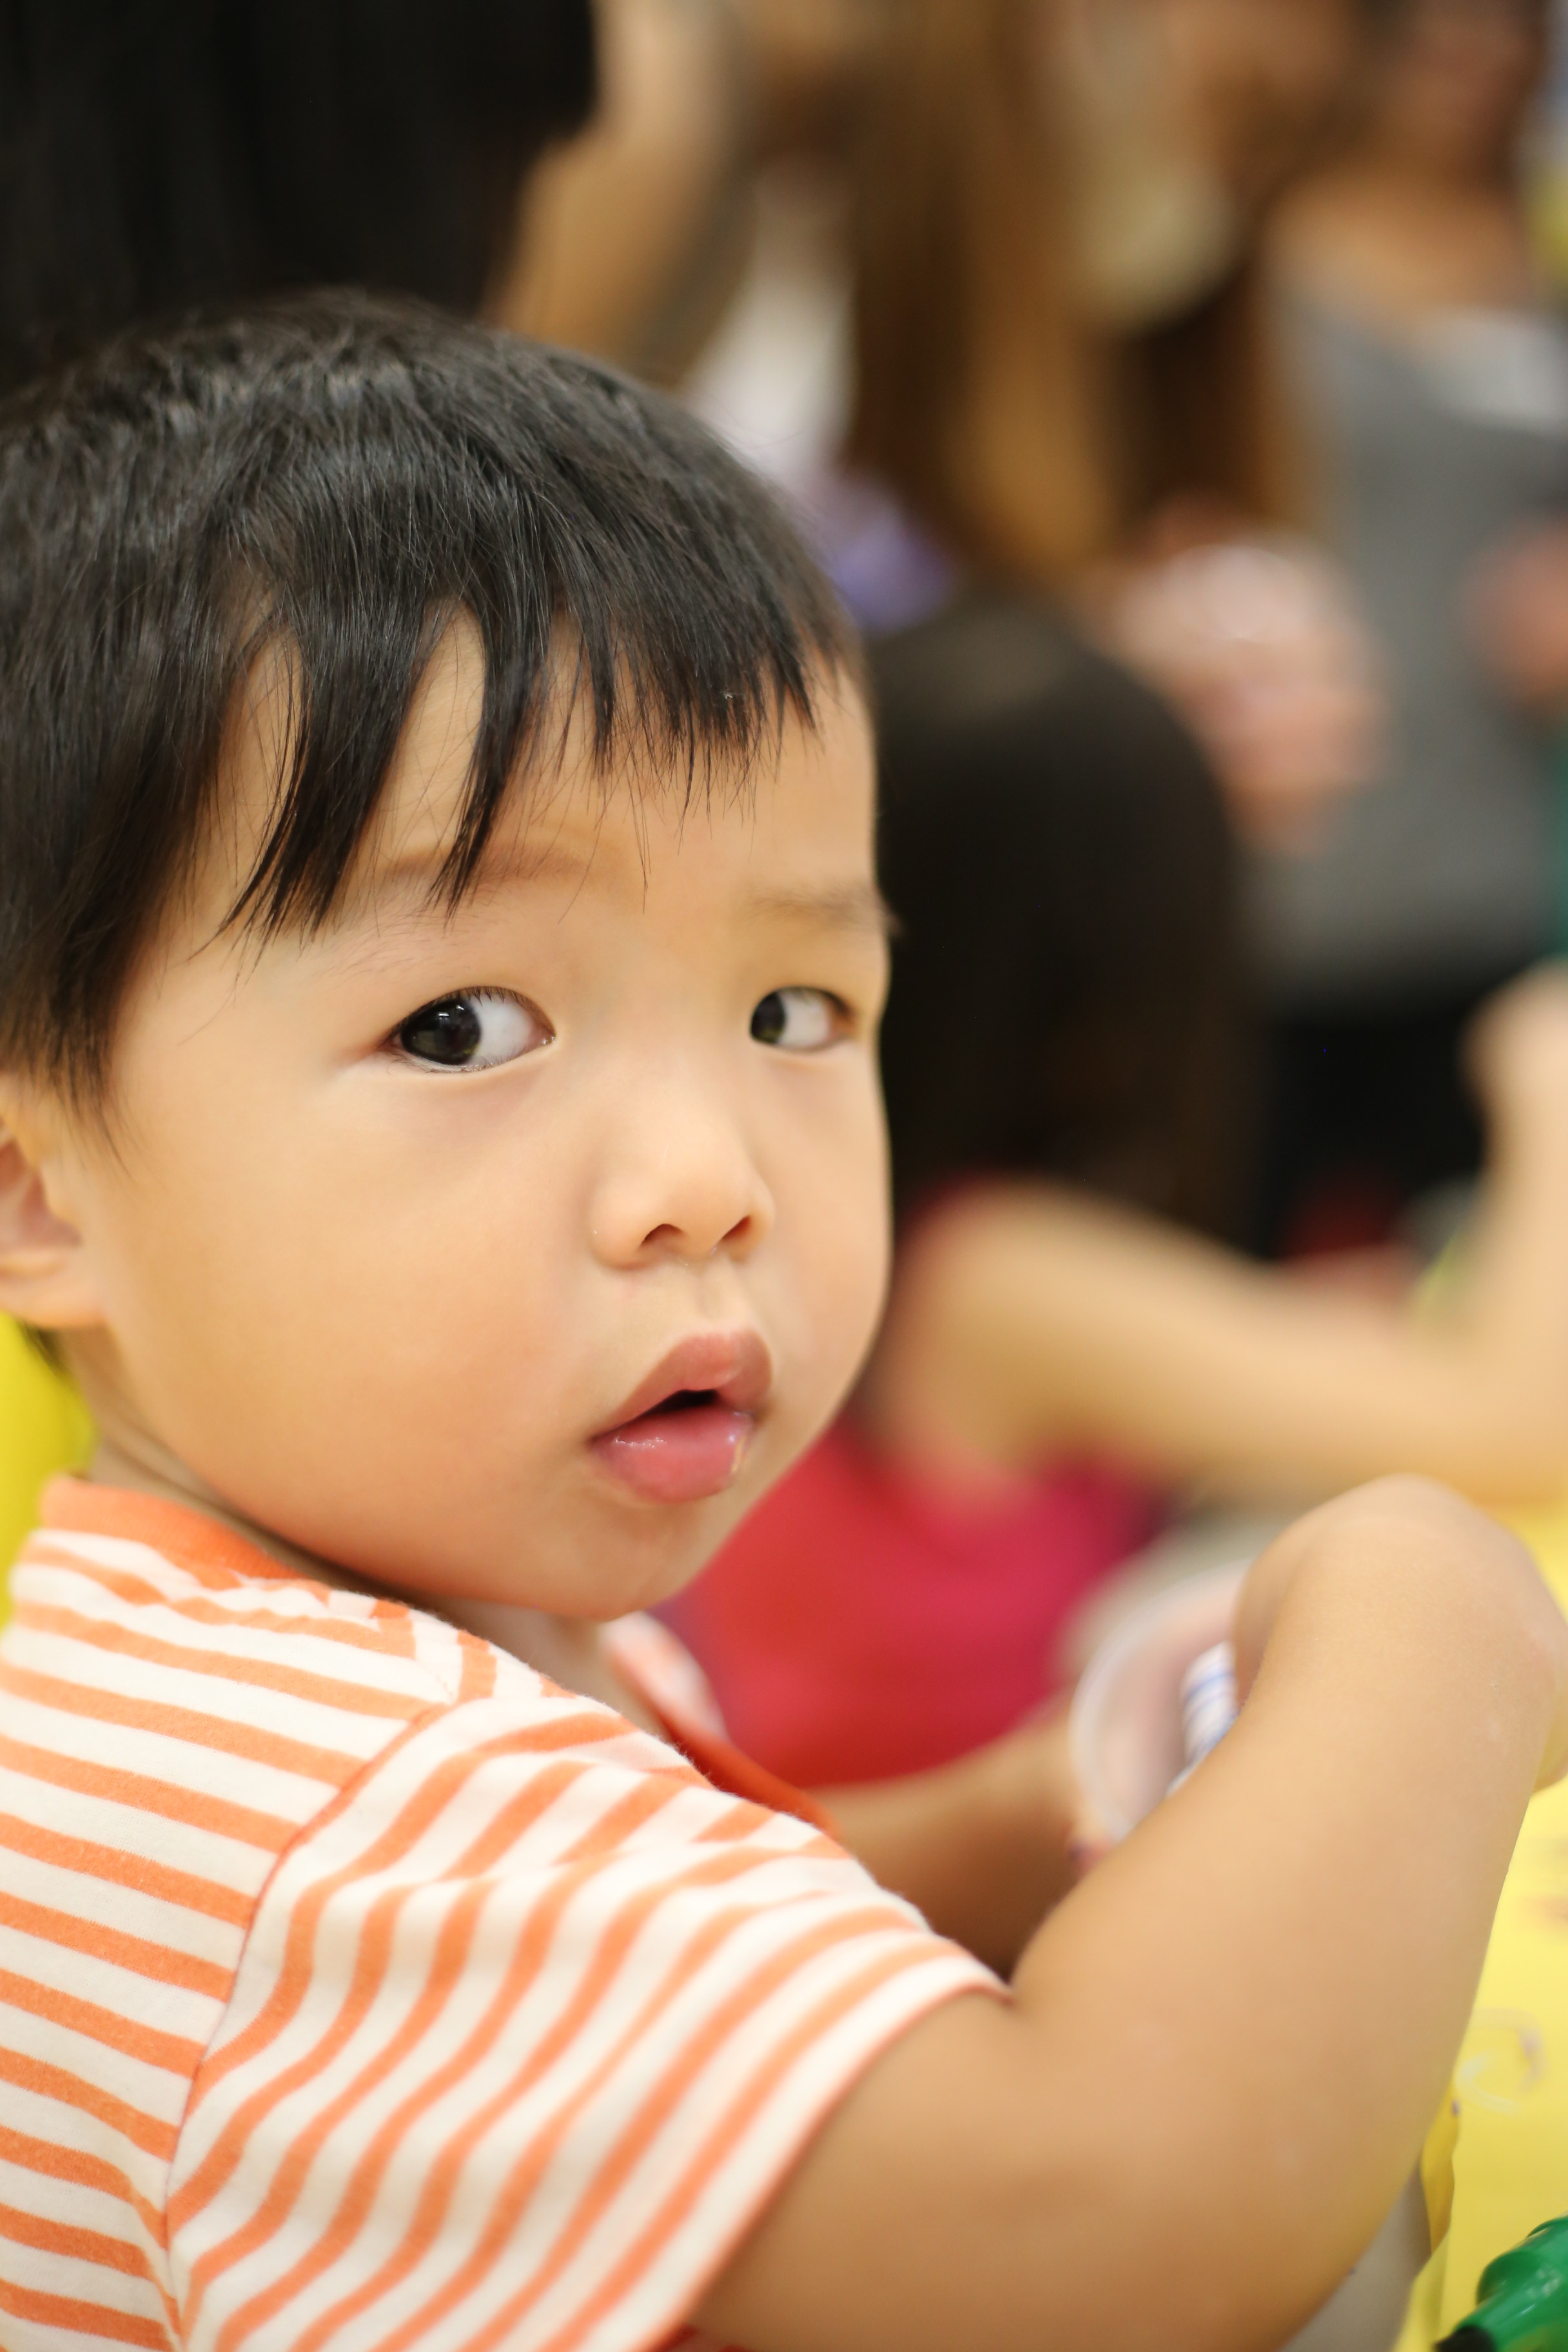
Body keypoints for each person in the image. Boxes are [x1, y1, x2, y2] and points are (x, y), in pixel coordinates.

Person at [0, 300, 1563, 2352]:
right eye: (462, 1027)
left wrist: (1002, 1831)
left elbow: (663, 1907)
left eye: (794, 1009)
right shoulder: (325, 1814)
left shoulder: (361, 1635)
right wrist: (1435, 1605)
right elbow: (1106, 2230)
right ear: (36, 1190)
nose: (710, 1174)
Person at [669, 596, 1568, 1791]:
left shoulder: (868, 1207)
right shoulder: (989, 1268)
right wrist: (1546, 1080)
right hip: (948, 1873)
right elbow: (1516, 1427)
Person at [1259, 0, 1568, 1248]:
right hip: (1288, 867)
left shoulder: (1548, 239)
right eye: (1436, 19)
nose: (1472, 50)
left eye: (1510, 22)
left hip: (1497, 864)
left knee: (1482, 1245)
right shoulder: (1255, 225)